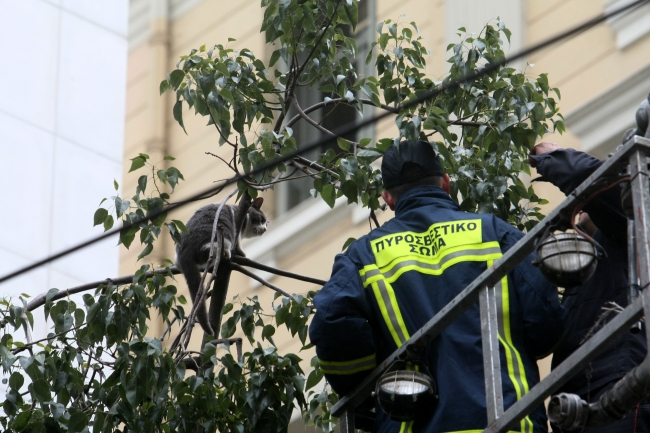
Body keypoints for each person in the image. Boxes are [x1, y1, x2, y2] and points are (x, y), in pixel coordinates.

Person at [310, 140, 565, 433]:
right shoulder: (494, 233)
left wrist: (365, 380)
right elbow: (547, 326)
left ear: (388, 198)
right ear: (445, 183)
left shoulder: (365, 256)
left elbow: (331, 319)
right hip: (509, 420)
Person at [529, 142, 649, 432]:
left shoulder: (634, 225)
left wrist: (553, 157)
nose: (580, 204)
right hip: (579, 407)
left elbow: (596, 182)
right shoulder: (592, 268)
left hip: (622, 390)